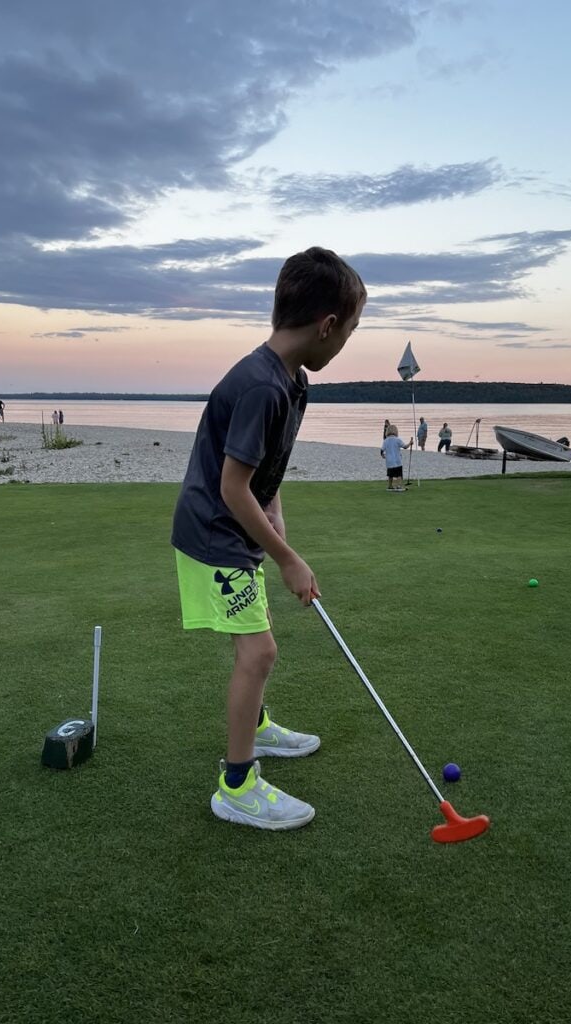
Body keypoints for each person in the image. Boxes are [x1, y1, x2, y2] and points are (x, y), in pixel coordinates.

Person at [171, 246, 366, 832]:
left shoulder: (290, 380)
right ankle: (236, 785)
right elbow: (233, 487)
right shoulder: (262, 386)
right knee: (260, 651)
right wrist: (287, 558)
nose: (346, 342)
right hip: (215, 534)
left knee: (256, 646)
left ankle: (257, 729)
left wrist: (277, 521)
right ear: (326, 325)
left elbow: (262, 473)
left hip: (235, 529)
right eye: (350, 330)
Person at [380, 424, 413, 491]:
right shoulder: (397, 440)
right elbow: (405, 447)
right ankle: (398, 486)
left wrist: (383, 455)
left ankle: (390, 486)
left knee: (390, 474)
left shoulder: (385, 441)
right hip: (397, 461)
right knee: (399, 474)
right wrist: (410, 443)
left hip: (389, 461)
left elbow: (382, 450)